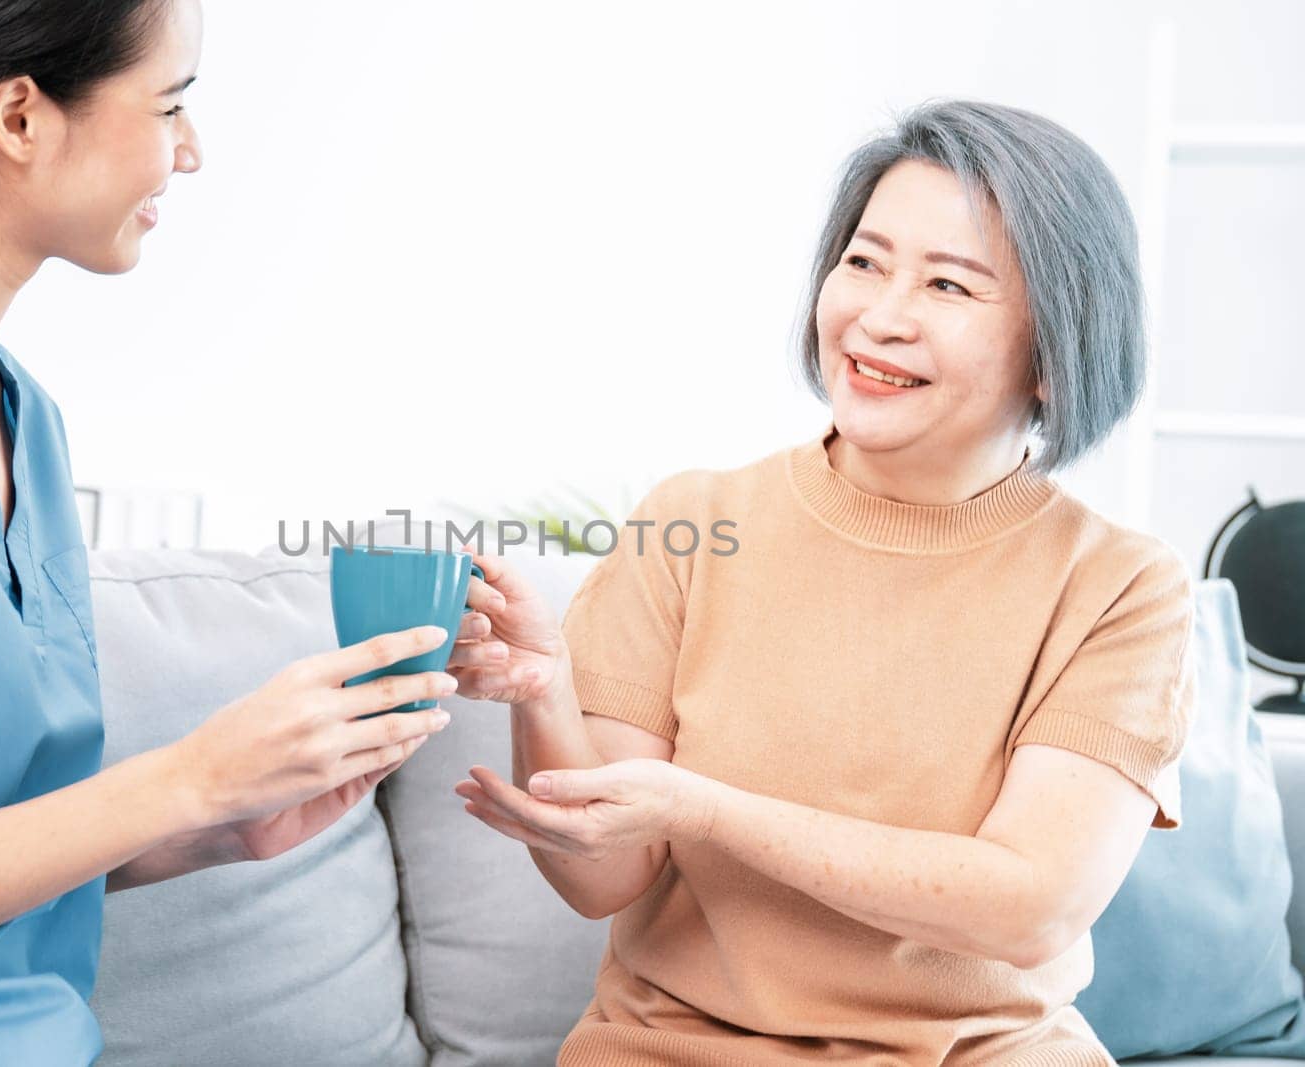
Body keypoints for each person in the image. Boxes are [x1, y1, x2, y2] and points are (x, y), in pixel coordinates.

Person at [0, 1, 465, 1061]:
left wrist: (212, 824)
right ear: (19, 116)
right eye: (168, 104)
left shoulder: (26, 420)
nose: (189, 152)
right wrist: (183, 776)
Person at [445, 100, 1196, 1065]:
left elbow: (1029, 907)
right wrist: (545, 689)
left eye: (950, 287)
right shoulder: (695, 524)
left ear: (1057, 350)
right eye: (865, 262)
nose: (880, 317)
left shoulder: (1121, 587)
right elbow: (604, 878)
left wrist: (702, 806)